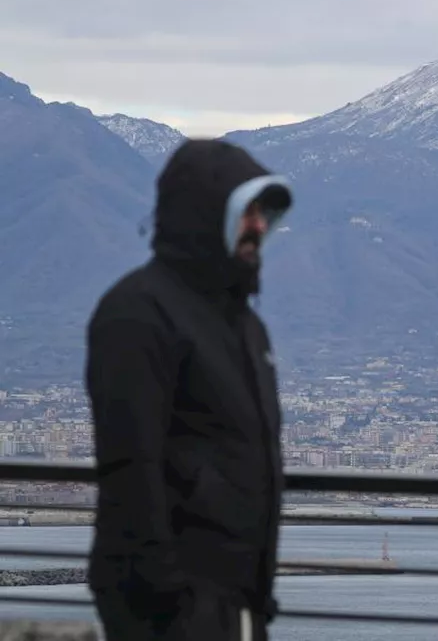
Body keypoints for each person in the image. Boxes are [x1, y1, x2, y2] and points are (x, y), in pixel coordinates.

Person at [85, 139, 293, 640]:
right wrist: (168, 600)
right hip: (175, 609)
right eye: (248, 213)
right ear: (206, 214)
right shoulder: (139, 313)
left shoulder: (243, 326)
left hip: (237, 601)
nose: (259, 228)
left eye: (265, 216)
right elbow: (131, 468)